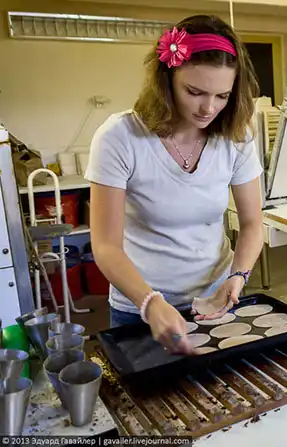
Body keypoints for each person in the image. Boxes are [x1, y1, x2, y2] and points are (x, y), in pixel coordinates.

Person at [85, 15, 264, 354]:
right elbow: (106, 246)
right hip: (140, 305)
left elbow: (253, 223)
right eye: (194, 92)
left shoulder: (235, 137)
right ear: (166, 81)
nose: (209, 108)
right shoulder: (120, 137)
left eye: (222, 95)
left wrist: (237, 276)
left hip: (215, 299)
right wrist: (150, 303)